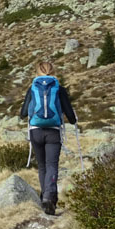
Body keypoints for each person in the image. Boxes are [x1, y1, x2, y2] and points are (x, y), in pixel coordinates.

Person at [19, 61, 77, 215]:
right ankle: (49, 198)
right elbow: (70, 115)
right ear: (53, 71)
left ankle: (46, 197)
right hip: (53, 132)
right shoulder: (59, 89)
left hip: (35, 131)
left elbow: (23, 113)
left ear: (36, 72)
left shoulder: (32, 88)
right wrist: (73, 120)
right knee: (52, 165)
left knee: (43, 166)